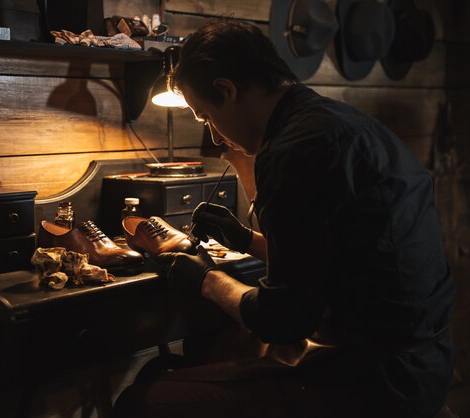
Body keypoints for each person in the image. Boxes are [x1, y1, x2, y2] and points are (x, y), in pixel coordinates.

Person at [112, 21, 455, 418]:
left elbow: (283, 320)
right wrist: (244, 239)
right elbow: (332, 259)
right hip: (426, 363)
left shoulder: (292, 152)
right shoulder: (340, 123)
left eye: (206, 117)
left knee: (143, 400)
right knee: (190, 368)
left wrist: (207, 279)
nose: (217, 137)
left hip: (377, 385)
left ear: (227, 90)